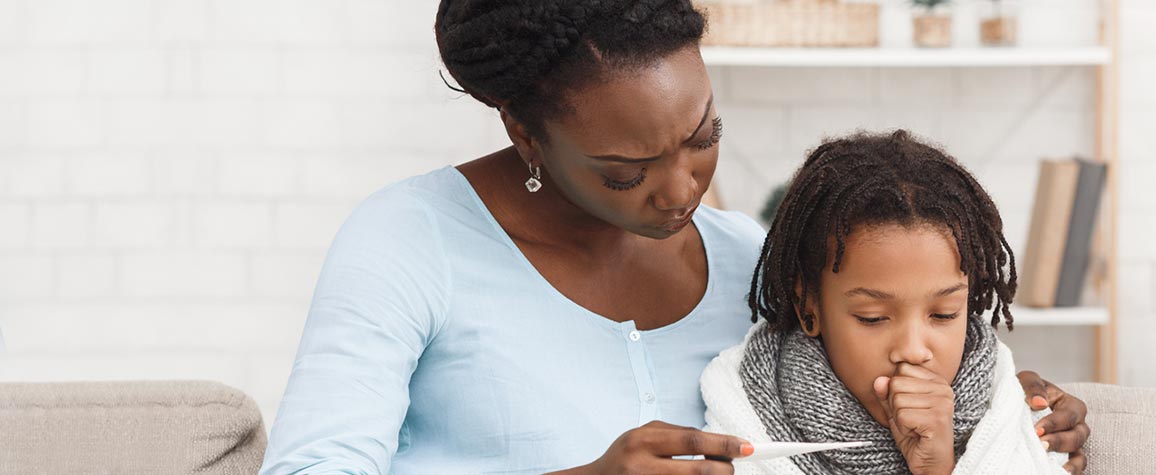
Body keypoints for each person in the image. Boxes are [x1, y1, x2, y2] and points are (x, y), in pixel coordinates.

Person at [258, 1, 1090, 474]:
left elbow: (861, 413)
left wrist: (1001, 410)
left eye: (702, 135)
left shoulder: (751, 259)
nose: (682, 187)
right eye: (626, 170)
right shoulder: (409, 241)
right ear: (525, 132)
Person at [702, 131, 1068, 475]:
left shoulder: (1009, 413)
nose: (912, 351)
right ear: (807, 306)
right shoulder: (743, 404)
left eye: (944, 314)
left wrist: (939, 466)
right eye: (873, 318)